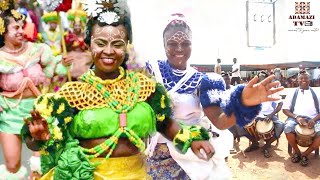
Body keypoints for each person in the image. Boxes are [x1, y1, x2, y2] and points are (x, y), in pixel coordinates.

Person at [20, 1, 216, 179]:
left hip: (137, 174)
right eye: (100, 43)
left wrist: (191, 140)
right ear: (89, 44)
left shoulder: (145, 87)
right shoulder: (71, 95)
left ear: (127, 45)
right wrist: (39, 136)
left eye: (117, 44)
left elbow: (165, 124)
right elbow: (41, 141)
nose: (108, 51)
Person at [146, 13, 284, 179]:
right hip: (156, 158)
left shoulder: (204, 80)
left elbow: (220, 121)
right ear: (163, 44)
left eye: (186, 43)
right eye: (172, 43)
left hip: (192, 157)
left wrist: (243, 103)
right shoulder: (150, 71)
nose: (179, 49)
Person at [0, 2, 60, 178]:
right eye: (15, 27)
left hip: (38, 111)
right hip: (10, 112)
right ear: (3, 30)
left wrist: (63, 64)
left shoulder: (38, 49)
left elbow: (53, 69)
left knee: (40, 164)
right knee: (12, 165)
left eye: (22, 26)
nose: (21, 31)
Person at [230, 71, 284, 158]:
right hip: (255, 115)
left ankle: (267, 145)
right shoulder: (252, 89)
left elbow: (280, 104)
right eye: (260, 78)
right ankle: (254, 143)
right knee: (238, 124)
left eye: (263, 78)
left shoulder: (272, 90)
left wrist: (271, 115)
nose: (261, 80)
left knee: (281, 125)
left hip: (269, 115)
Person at [283, 70, 320, 167]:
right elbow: (285, 109)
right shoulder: (292, 93)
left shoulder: (317, 93)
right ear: (297, 80)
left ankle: (305, 154)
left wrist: (314, 120)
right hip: (296, 118)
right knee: (287, 128)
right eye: (301, 78)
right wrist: (297, 117)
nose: (304, 80)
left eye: (306, 78)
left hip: (313, 118)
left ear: (310, 80)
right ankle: (297, 152)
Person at [63, 9, 92, 81]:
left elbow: (88, 46)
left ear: (81, 25)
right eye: (76, 25)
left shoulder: (85, 35)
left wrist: (82, 44)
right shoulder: (69, 35)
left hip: (83, 54)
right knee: (72, 62)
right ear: (73, 26)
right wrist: (72, 43)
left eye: (79, 25)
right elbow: (66, 47)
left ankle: (84, 80)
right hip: (72, 53)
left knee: (85, 62)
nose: (77, 27)